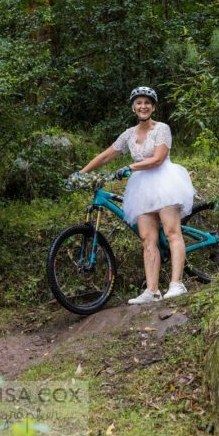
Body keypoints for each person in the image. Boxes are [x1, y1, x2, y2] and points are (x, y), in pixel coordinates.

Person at [80, 86, 194, 305]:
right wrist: (80, 173)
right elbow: (105, 156)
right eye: (139, 103)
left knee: (171, 232)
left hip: (164, 181)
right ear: (133, 107)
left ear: (154, 106)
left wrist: (130, 167)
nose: (143, 106)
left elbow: (158, 158)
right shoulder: (129, 134)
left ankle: (176, 284)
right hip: (142, 188)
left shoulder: (162, 128)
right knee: (147, 239)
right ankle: (152, 290)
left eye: (147, 103)